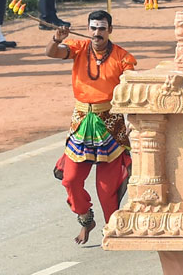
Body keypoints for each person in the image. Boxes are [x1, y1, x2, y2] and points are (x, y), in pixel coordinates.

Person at [45, 12, 137, 244]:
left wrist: (134, 123)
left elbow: (132, 91)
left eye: (102, 29)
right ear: (88, 29)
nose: (97, 33)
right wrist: (56, 39)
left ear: (110, 30)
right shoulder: (77, 47)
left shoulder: (123, 58)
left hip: (110, 124)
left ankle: (113, 230)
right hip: (82, 122)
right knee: (71, 180)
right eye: (94, 28)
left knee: (106, 188)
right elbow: (53, 53)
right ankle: (86, 219)